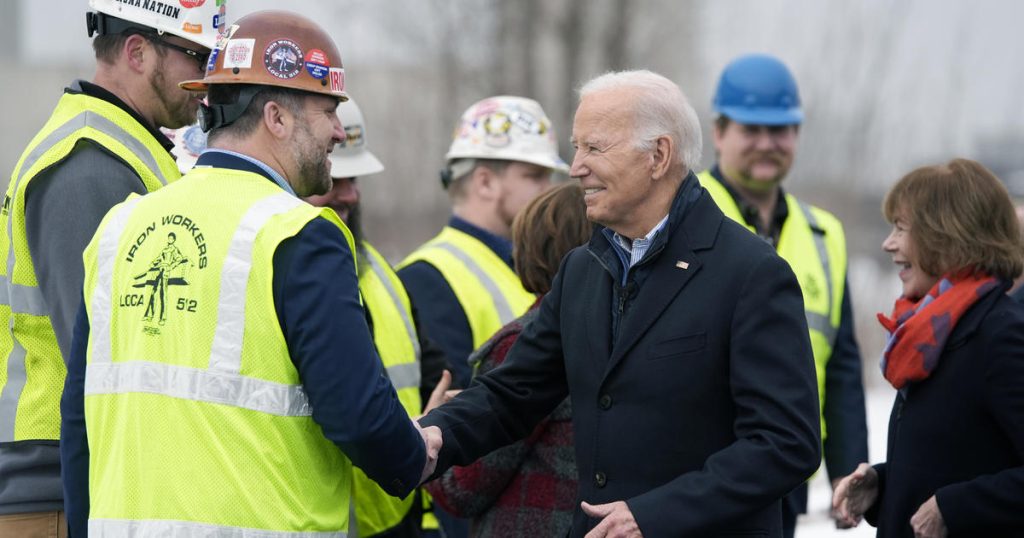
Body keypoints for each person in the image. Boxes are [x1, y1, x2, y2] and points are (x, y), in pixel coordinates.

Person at [60, 11, 439, 537]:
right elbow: (357, 414)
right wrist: (414, 455)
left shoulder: (119, 228)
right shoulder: (301, 234)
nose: (337, 131)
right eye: (329, 111)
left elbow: (79, 422)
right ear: (277, 118)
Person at [418, 70, 821, 538]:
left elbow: (786, 443)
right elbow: (514, 392)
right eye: (577, 147)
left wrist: (655, 514)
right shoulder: (582, 269)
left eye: (594, 147)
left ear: (659, 155)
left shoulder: (750, 273)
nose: (574, 167)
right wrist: (436, 433)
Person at [0, 0, 220, 534]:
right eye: (197, 58)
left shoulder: (129, 152)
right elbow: (103, 355)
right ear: (138, 53)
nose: (208, 82)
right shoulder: (89, 164)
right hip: (57, 484)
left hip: (81, 474)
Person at [697, 53, 868, 536]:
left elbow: (842, 364)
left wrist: (848, 470)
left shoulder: (824, 234)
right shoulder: (682, 217)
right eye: (752, 130)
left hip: (786, 473)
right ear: (719, 133)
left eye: (782, 130)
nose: (768, 144)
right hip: (699, 472)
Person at [833, 159, 1024, 538]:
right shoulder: (933, 333)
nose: (889, 244)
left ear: (947, 236)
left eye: (901, 229)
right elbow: (956, 457)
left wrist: (955, 508)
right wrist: (882, 484)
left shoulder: (1001, 335)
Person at [304, 96, 452, 537]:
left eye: (356, 179)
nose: (351, 193)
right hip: (331, 518)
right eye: (338, 177)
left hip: (393, 510)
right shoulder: (286, 272)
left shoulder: (379, 269)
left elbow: (435, 370)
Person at [425, 182, 590, 537]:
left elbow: (463, 490)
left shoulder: (525, 345)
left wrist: (431, 430)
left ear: (532, 249)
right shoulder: (618, 328)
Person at [397, 96, 568, 390]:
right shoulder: (425, 277)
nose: (549, 190)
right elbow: (456, 405)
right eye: (536, 176)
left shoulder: (525, 264)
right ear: (485, 182)